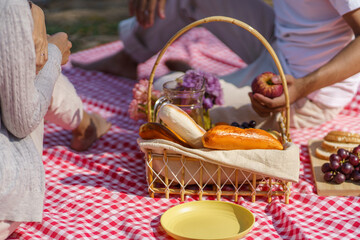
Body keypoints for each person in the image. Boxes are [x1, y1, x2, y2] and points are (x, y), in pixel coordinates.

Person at [72, 0, 360, 129]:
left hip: (303, 89)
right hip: (278, 41)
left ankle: (188, 77)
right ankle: (130, 56)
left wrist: (304, 87)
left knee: (165, 96)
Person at [0, 0, 111, 239]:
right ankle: (83, 123)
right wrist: (53, 54)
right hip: (4, 200)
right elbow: (22, 121)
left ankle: (83, 122)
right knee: (34, 66)